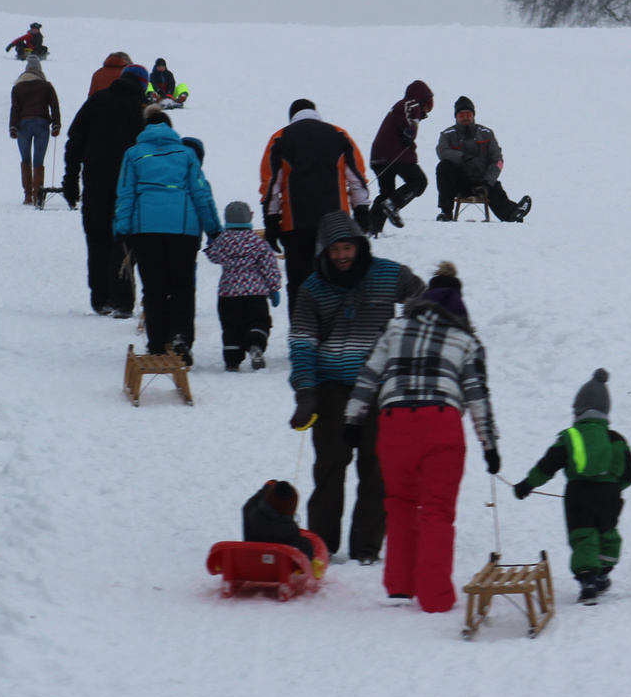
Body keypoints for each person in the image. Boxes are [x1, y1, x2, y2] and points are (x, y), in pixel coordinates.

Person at [344, 262, 497, 612]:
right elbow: (477, 395)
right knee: (436, 512)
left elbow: (369, 373)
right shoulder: (466, 339)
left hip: (394, 423)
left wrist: (353, 419)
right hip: (440, 425)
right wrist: (489, 444)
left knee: (398, 505)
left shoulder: (396, 328)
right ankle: (435, 595)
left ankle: (399, 587)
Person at [288, 210, 424, 564]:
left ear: (359, 246)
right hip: (332, 388)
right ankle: (322, 543)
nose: (342, 256)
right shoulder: (312, 289)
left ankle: (366, 547)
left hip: (378, 388)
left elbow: (422, 298)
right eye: (334, 251)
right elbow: (301, 342)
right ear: (324, 252)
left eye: (347, 248)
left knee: (377, 466)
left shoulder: (388, 274)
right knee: (331, 464)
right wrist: (305, 393)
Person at [513, 369, 631, 605]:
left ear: (578, 410)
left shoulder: (570, 436)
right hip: (610, 496)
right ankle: (603, 574)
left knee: (584, 536)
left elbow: (547, 465)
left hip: (579, 494)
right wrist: (615, 486)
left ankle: (588, 581)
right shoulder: (616, 439)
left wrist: (527, 485)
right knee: (607, 533)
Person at [114, 108, 222, 363]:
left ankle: (157, 345)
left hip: (146, 230)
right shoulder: (186, 154)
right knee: (183, 287)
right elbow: (200, 193)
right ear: (171, 129)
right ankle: (181, 338)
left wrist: (122, 229)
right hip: (183, 231)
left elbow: (126, 193)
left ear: (145, 129)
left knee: (154, 289)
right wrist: (214, 229)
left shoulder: (133, 154)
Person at [258, 99, 372, 308]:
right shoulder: (339, 134)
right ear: (315, 113)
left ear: (292, 117)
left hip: (295, 226)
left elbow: (271, 184)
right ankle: (335, 333)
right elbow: (356, 177)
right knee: (337, 278)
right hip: (336, 225)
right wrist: (362, 211)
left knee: (301, 284)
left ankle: (302, 334)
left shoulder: (280, 138)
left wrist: (272, 221)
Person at [64, 64, 149, 315]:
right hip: (131, 188)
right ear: (143, 83)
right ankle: (121, 301)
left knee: (97, 237)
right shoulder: (145, 108)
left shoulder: (97, 101)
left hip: (96, 184)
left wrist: (70, 180)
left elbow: (74, 141)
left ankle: (100, 299)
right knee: (123, 240)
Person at [204, 201, 284, 371]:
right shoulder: (258, 242)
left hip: (228, 293)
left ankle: (232, 358)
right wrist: (274, 288)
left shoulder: (223, 241)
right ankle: (255, 343)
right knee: (258, 320)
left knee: (231, 326)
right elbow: (269, 266)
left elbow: (212, 256)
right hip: (255, 293)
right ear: (249, 218)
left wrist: (211, 243)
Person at [434, 97, 532, 222]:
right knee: (443, 166)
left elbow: (498, 161)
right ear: (456, 116)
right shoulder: (447, 134)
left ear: (473, 115)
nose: (465, 117)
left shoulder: (487, 133)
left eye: (468, 114)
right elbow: (442, 152)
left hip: (483, 180)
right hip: (459, 182)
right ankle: (445, 212)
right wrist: (463, 158)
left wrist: (487, 182)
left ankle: (513, 213)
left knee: (495, 191)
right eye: (461, 114)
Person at [366, 80, 433, 236]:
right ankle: (394, 204)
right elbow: (405, 118)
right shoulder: (411, 104)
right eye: (428, 103)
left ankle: (370, 229)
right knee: (419, 181)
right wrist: (408, 132)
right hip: (395, 153)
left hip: (378, 156)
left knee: (386, 192)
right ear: (423, 98)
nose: (428, 108)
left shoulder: (402, 106)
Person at [9, 56, 61, 205]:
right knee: (39, 161)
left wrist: (12, 127)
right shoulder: (46, 86)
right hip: (41, 124)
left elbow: (15, 109)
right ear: (40, 69)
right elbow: (54, 106)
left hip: (23, 125)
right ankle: (38, 195)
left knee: (26, 160)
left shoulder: (18, 87)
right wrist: (56, 125)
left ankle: (27, 196)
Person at [242, 480, 320, 566]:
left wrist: (266, 489)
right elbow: (308, 552)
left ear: (268, 498)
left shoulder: (252, 516)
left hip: (252, 565)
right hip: (276, 572)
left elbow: (249, 505)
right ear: (291, 508)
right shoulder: (291, 533)